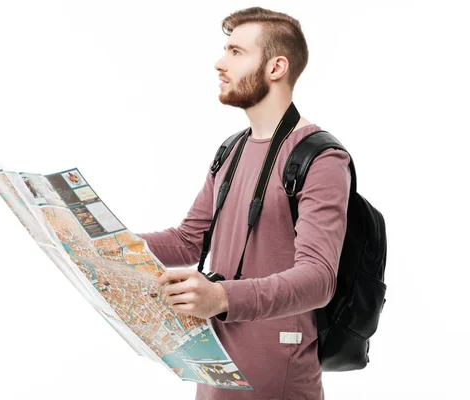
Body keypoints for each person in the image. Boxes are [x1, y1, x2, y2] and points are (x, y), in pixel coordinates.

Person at [135, 6, 351, 400]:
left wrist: (221, 297)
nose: (220, 63)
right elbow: (189, 240)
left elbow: (319, 279)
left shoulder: (322, 158)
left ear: (276, 67)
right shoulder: (231, 150)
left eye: (236, 52)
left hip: (276, 382)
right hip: (216, 370)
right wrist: (109, 244)